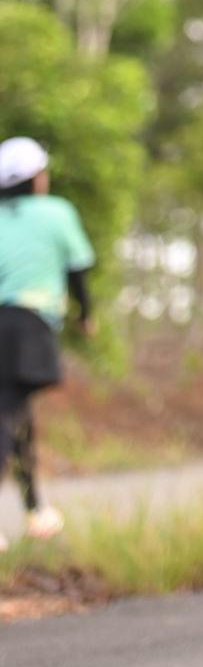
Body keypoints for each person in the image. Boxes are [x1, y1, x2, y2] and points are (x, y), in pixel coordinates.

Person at [0, 136, 96, 545]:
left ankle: (36, 510)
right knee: (8, 415)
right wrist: (86, 314)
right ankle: (34, 511)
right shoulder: (57, 212)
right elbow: (77, 270)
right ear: (36, 178)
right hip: (28, 324)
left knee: (17, 414)